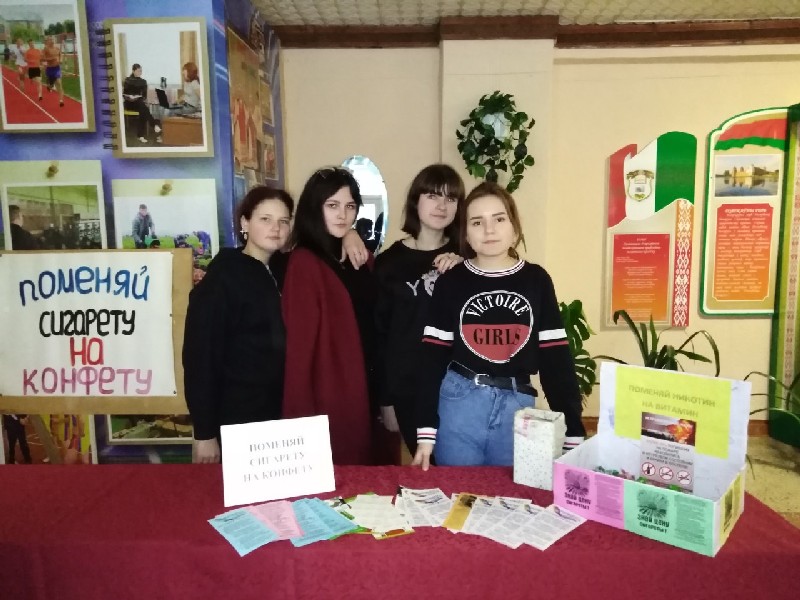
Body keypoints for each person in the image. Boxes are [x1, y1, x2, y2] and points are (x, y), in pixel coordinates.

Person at [412, 181, 586, 470]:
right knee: (457, 492)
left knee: (511, 493)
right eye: (477, 222)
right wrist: (426, 431)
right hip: (458, 404)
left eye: (499, 219)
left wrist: (573, 430)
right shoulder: (451, 282)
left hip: (518, 408)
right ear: (465, 233)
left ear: (515, 228)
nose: (489, 230)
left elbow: (555, 359)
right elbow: (431, 359)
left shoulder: (537, 281)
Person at [182, 186, 293, 463]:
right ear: (245, 222)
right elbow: (200, 357)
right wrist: (204, 433)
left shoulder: (283, 269)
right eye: (265, 219)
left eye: (283, 221)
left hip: (277, 414)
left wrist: (350, 235)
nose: (276, 228)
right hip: (236, 418)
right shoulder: (224, 278)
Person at [281, 167, 382, 465]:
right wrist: (299, 421)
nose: (342, 215)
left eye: (350, 206)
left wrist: (351, 235)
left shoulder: (357, 256)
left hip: (367, 384)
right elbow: (299, 352)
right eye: (332, 205)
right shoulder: (304, 263)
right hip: (330, 394)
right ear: (315, 208)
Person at [373, 164, 464, 456]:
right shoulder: (388, 263)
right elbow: (379, 337)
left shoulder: (467, 259)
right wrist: (385, 400)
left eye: (450, 198)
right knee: (425, 468)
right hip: (406, 387)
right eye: (432, 196)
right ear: (416, 201)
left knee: (458, 468)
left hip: (457, 388)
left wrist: (465, 267)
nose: (441, 206)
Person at [122, 63, 161, 144]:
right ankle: (154, 124)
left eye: (141, 71)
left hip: (138, 103)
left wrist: (139, 98)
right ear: (133, 71)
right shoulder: (127, 80)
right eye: (138, 71)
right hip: (129, 103)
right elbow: (124, 94)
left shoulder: (143, 81)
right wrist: (130, 97)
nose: (140, 73)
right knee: (143, 107)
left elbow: (144, 96)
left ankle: (140, 136)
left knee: (142, 108)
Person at [42, 36, 64, 107]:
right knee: (51, 84)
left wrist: (61, 60)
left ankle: (61, 101)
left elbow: (60, 55)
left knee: (59, 83)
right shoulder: (46, 49)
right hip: (50, 69)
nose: (52, 41)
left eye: (53, 39)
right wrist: (51, 59)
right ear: (48, 41)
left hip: (57, 68)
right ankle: (49, 85)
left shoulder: (57, 48)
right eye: (50, 40)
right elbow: (42, 59)